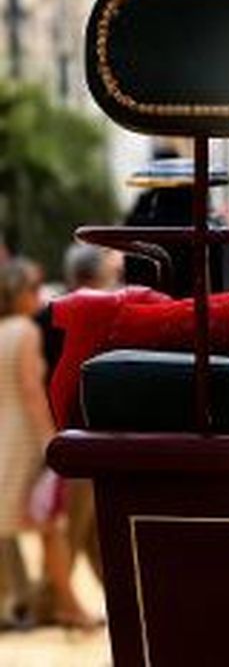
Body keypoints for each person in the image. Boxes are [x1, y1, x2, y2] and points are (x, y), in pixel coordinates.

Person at [0, 259, 93, 630]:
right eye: (32, 289)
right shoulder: (25, 330)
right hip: (25, 435)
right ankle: (68, 605)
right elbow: (31, 391)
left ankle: (49, 602)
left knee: (27, 525)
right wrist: (49, 444)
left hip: (4, 435)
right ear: (17, 294)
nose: (38, 295)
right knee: (48, 524)